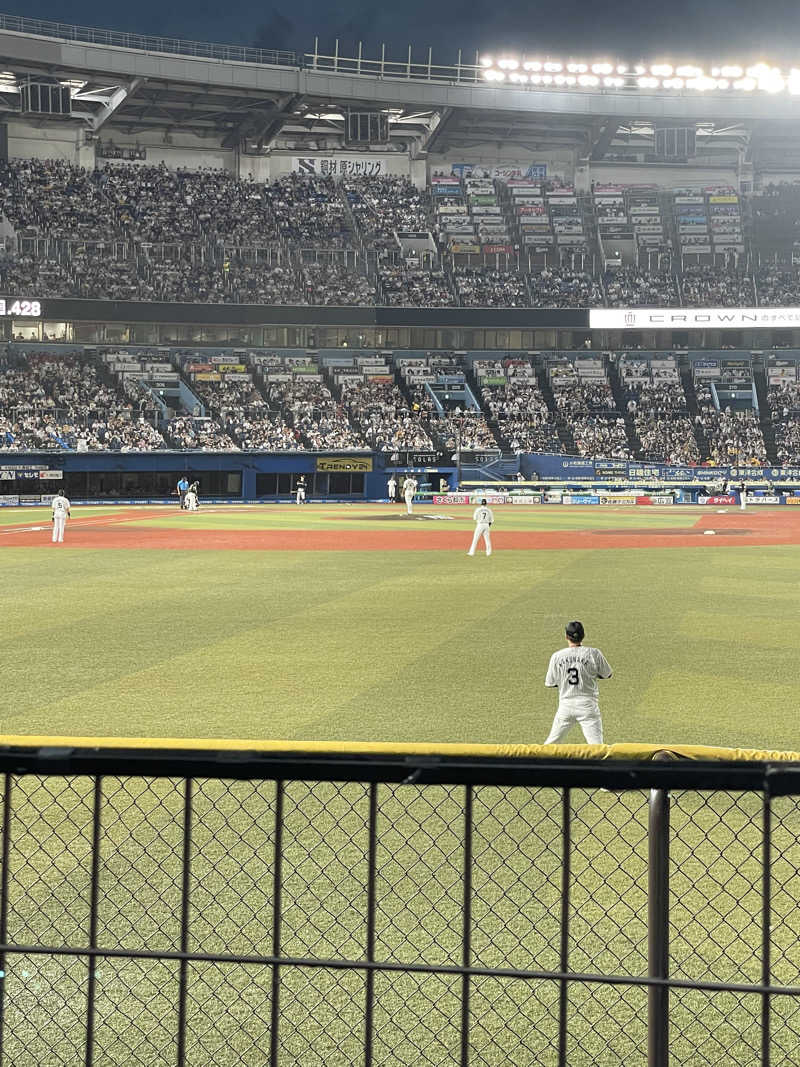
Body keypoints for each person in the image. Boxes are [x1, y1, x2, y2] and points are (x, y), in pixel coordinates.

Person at [544, 621, 612, 745]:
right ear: (583, 635)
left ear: (566, 636)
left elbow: (550, 683)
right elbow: (607, 674)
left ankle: (536, 763)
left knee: (550, 745)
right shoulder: (594, 653)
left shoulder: (556, 656)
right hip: (588, 706)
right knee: (597, 748)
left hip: (565, 706)